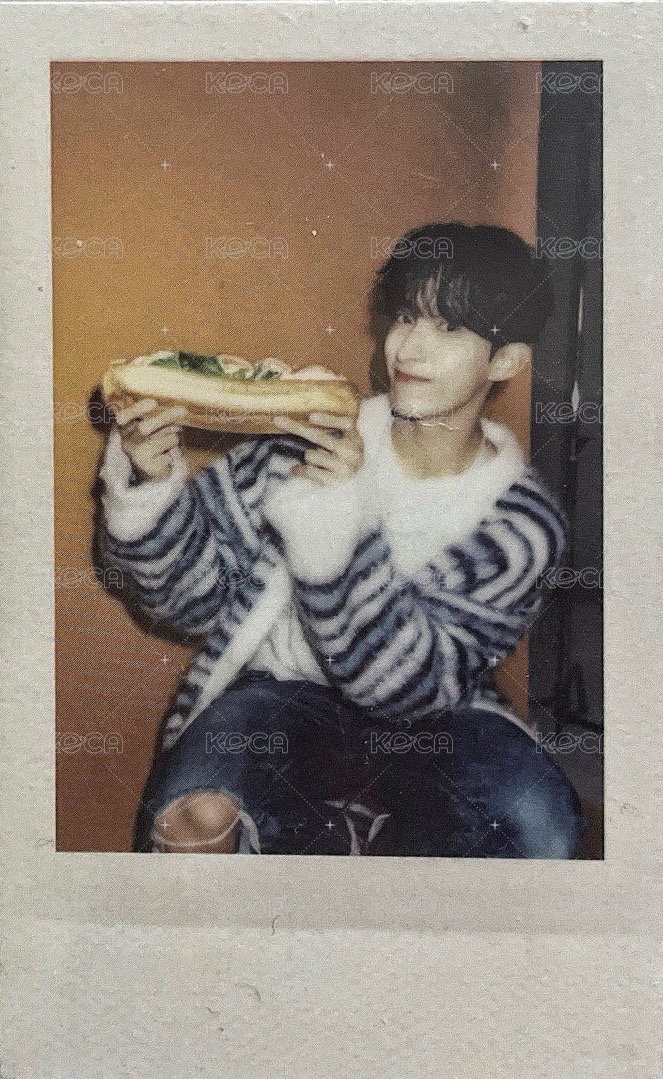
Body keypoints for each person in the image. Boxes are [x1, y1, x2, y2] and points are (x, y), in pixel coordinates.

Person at [97, 221, 586, 858]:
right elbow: (190, 605)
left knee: (540, 824)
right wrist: (149, 481)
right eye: (406, 318)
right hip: (275, 696)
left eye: (448, 329)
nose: (410, 349)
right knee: (194, 819)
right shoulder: (301, 442)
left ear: (505, 361)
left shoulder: (522, 526)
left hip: (441, 722)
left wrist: (337, 521)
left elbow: (405, 691)